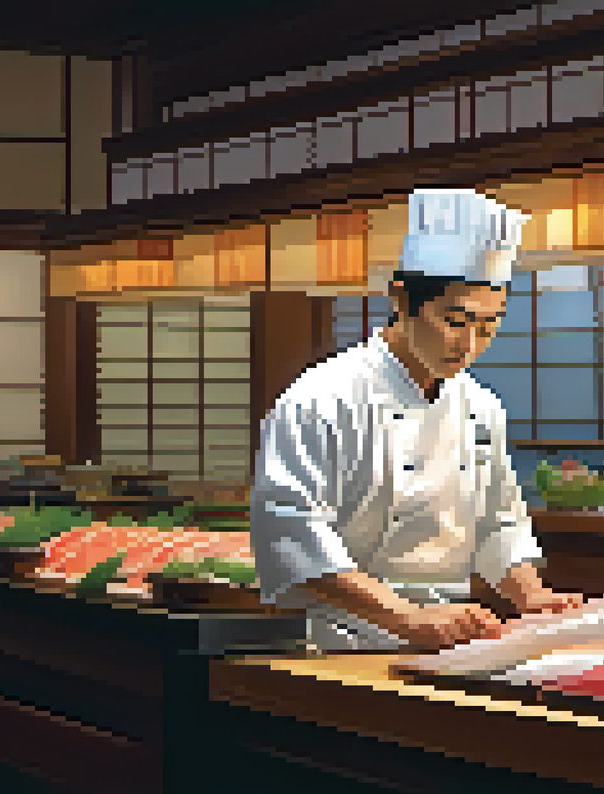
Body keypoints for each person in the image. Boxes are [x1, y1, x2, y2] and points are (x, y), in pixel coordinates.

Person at [249, 188, 584, 652]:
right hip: (336, 637)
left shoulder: (481, 406)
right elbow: (291, 531)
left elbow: (498, 521)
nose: (468, 345)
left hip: (449, 631)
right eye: (455, 321)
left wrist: (531, 596)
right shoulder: (322, 398)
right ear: (402, 300)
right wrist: (405, 617)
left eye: (488, 327)